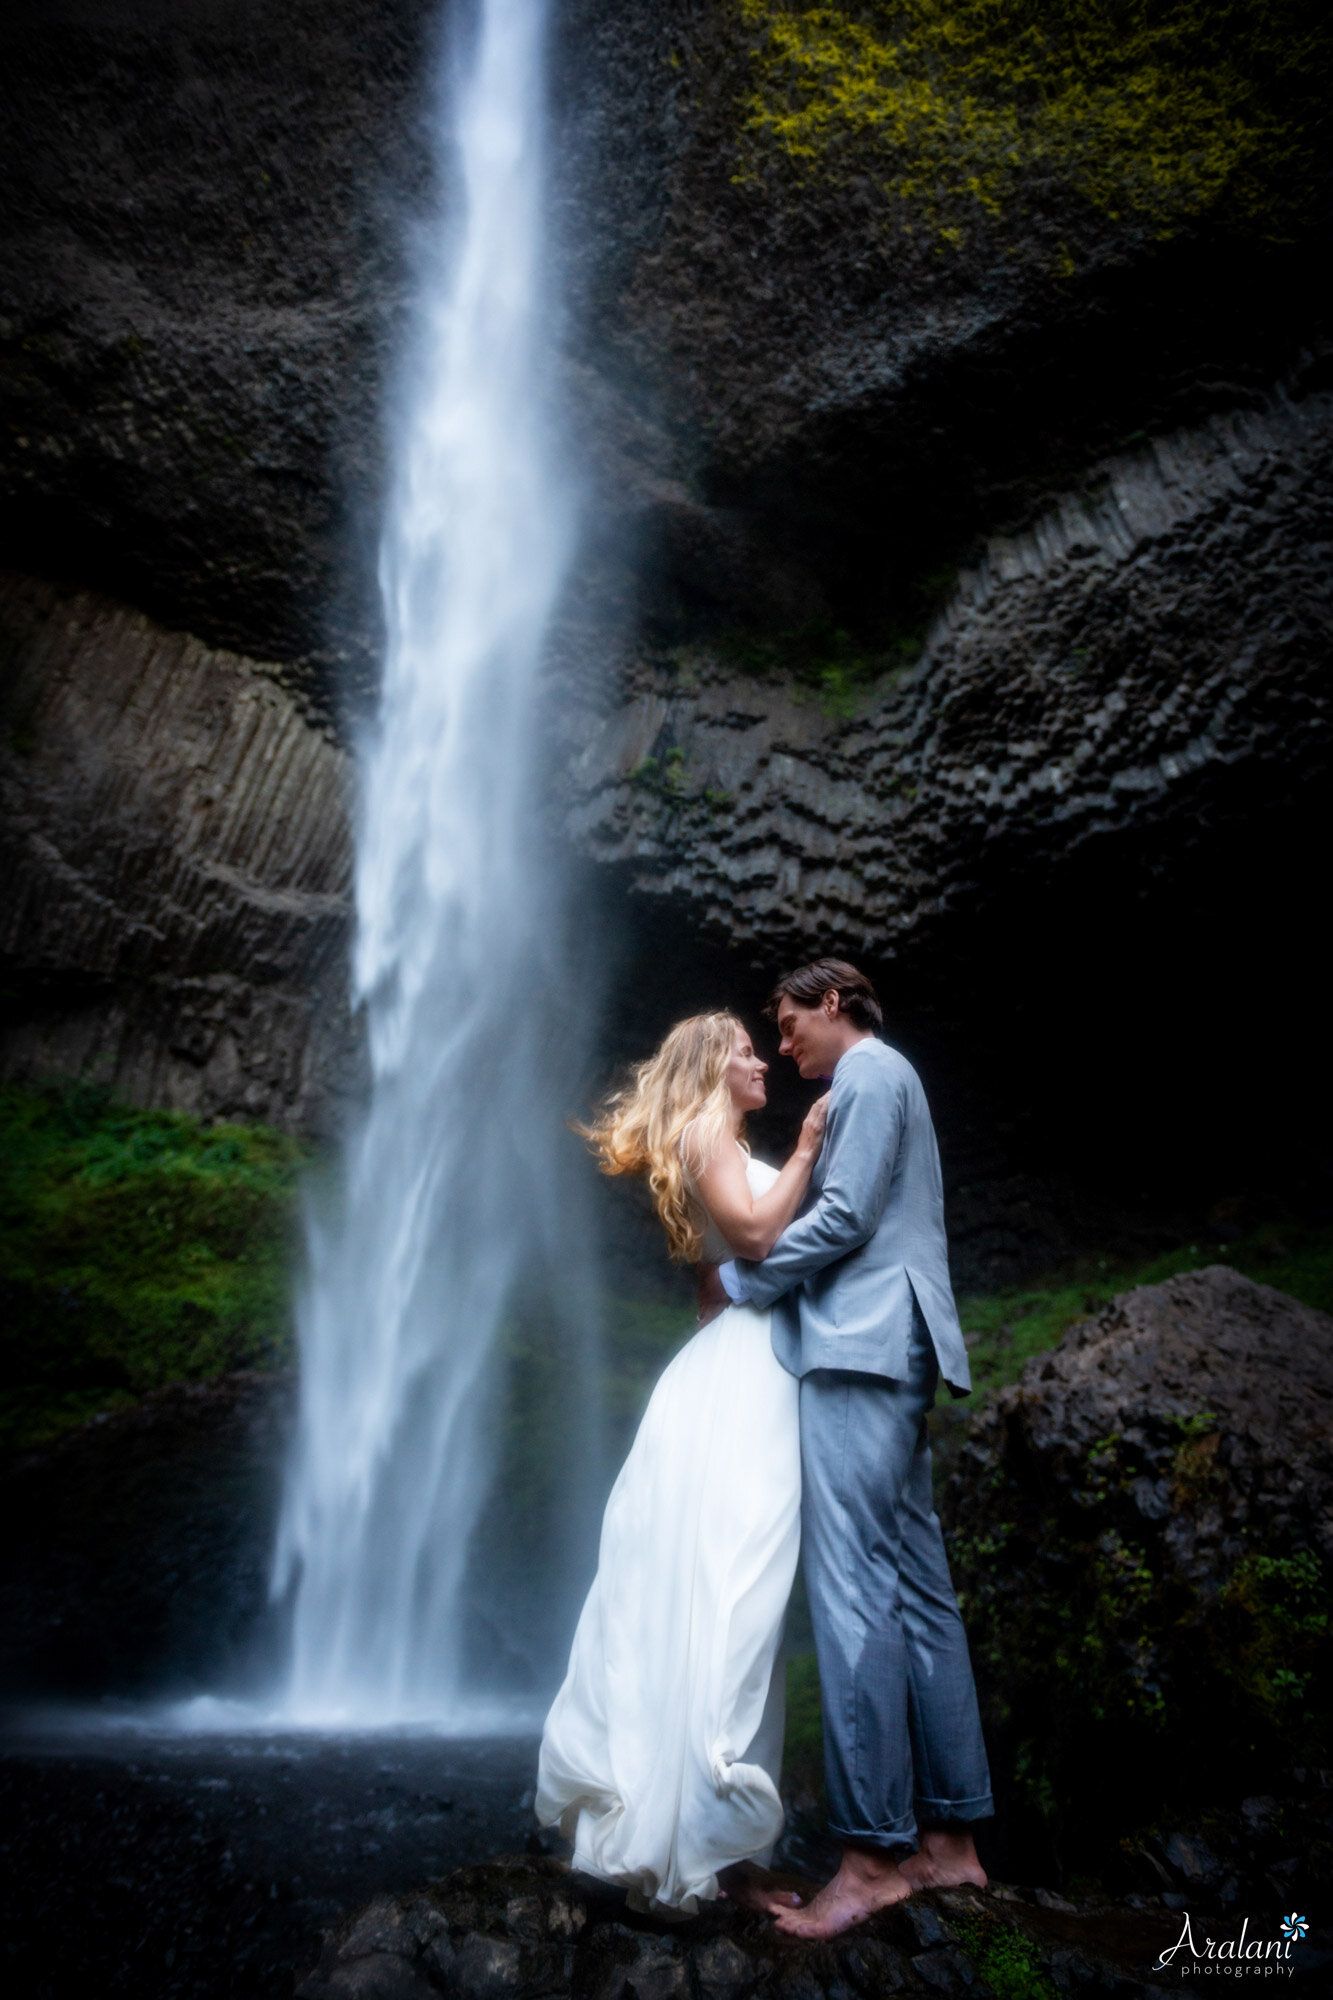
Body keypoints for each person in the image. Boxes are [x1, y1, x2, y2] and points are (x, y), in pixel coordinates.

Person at [710, 958, 993, 1938]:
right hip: (900, 1347)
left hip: (860, 1346)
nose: (782, 1045)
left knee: (852, 1588)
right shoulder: (890, 1077)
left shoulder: (867, 1072)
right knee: (917, 1588)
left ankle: (870, 1856)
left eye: (788, 1023)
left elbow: (844, 1216)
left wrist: (743, 1283)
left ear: (835, 1002)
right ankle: (951, 1847)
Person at [535, 1011, 828, 1915]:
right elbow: (748, 1236)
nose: (759, 1060)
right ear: (709, 1064)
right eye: (744, 1048)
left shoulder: (721, 1136)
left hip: (743, 1367)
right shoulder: (708, 1129)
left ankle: (711, 1835)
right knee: (731, 1590)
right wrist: (813, 1148)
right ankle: (703, 1840)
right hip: (736, 1378)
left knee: (727, 1593)